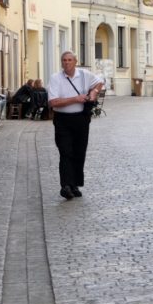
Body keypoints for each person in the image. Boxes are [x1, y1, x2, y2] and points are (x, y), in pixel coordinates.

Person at [46, 51, 104, 200]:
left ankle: (75, 184)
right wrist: (75, 99)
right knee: (65, 152)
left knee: (79, 152)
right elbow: (53, 102)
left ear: (75, 62)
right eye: (64, 60)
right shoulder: (55, 78)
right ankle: (65, 185)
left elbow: (100, 82)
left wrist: (94, 92)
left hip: (81, 119)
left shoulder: (84, 74)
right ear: (61, 63)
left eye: (70, 60)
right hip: (62, 120)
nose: (67, 63)